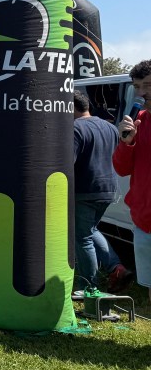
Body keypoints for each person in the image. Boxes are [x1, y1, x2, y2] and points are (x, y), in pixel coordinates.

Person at [113, 60, 151, 370]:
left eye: (147, 86)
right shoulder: (139, 121)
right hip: (143, 222)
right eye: (137, 88)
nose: (142, 93)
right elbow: (121, 169)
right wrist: (127, 142)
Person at [72, 90, 131, 299]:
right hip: (108, 189)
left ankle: (88, 287)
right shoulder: (110, 127)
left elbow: (68, 162)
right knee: (91, 231)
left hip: (85, 190)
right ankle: (116, 267)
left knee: (82, 238)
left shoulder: (75, 128)